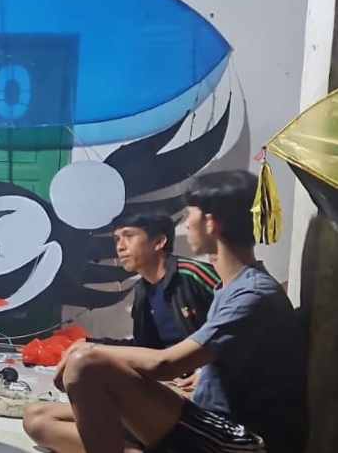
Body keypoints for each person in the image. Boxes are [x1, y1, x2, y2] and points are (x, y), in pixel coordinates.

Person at [51, 170, 307, 453]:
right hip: (206, 413)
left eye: (189, 215)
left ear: (211, 222)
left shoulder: (251, 293)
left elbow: (165, 363)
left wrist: (90, 349)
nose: (186, 224)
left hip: (245, 439)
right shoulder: (230, 288)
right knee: (40, 416)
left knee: (85, 364)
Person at [23, 211, 219, 453]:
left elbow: (241, 328)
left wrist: (208, 370)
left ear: (159, 242)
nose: (120, 246)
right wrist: (88, 342)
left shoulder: (193, 275)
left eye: (129, 236)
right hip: (164, 387)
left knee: (89, 372)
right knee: (37, 418)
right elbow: (144, 348)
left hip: (195, 394)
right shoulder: (144, 290)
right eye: (116, 239)